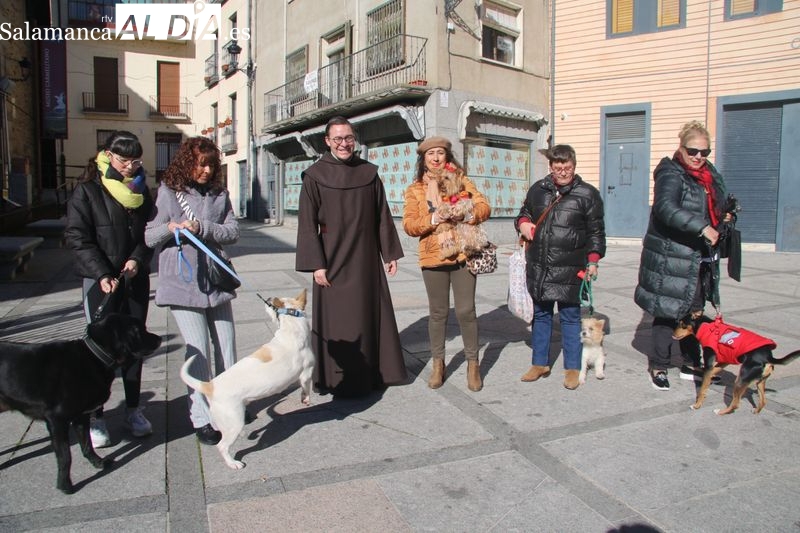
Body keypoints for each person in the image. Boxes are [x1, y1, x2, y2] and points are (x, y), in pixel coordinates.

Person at [295, 116, 408, 398]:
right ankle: (335, 378)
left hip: (366, 257)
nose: (344, 144)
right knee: (339, 319)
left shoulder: (368, 172)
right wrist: (316, 264)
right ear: (327, 141)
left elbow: (382, 214)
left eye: (348, 138)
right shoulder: (314, 176)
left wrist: (389, 252)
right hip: (331, 257)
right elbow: (307, 224)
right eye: (338, 139)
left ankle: (373, 373)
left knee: (367, 314)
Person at [144, 137, 239, 445]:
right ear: (188, 162)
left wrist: (205, 229)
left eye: (212, 164)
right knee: (198, 350)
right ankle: (201, 418)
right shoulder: (169, 192)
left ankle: (229, 405)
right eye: (202, 164)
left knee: (227, 348)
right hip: (182, 283)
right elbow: (149, 236)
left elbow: (233, 231)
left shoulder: (220, 193)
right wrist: (171, 228)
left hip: (216, 280)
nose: (207, 170)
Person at [64, 130, 154, 447]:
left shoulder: (143, 191)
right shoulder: (88, 192)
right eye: (124, 160)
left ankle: (133, 409)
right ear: (108, 155)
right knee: (99, 352)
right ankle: (96, 415)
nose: (130, 166)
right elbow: (77, 237)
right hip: (100, 282)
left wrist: (137, 260)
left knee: (134, 346)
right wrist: (102, 272)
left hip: (133, 279)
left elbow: (150, 236)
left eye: (136, 161)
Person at [634, 120, 736, 391]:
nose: (699, 157)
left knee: (695, 313)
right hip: (671, 256)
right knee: (667, 312)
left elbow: (714, 205)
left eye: (705, 152)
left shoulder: (710, 175)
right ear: (681, 147)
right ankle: (659, 365)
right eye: (693, 151)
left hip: (699, 258)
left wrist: (725, 215)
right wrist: (702, 226)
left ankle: (691, 364)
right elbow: (666, 208)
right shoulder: (671, 172)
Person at [402, 137, 491, 392]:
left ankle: (473, 364)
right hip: (433, 256)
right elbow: (409, 225)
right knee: (438, 313)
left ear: (448, 156)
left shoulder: (462, 180)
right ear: (424, 159)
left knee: (466, 311)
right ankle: (438, 365)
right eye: (431, 154)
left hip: (464, 252)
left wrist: (467, 213)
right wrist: (433, 217)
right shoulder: (415, 189)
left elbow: (484, 206)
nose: (436, 158)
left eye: (440, 153)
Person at [514, 144, 606, 390]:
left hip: (571, 267)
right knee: (541, 315)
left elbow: (596, 232)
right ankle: (539, 363)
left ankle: (573, 368)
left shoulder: (588, 194)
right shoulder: (538, 190)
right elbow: (523, 213)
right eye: (558, 168)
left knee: (569, 318)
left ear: (574, 166)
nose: (563, 172)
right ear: (551, 167)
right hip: (540, 266)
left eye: (567, 168)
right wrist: (523, 223)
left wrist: (593, 260)